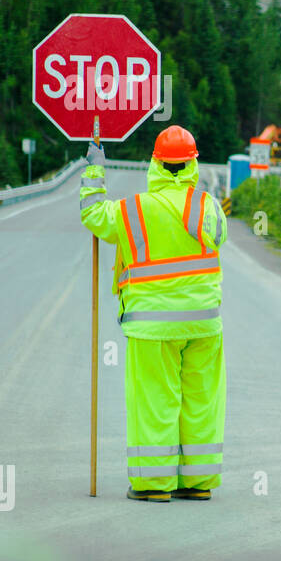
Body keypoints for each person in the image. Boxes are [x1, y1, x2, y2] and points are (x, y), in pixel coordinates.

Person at [79, 126, 228, 502]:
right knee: (200, 401)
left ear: (155, 163)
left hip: (152, 327)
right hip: (204, 323)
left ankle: (153, 485)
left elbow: (93, 214)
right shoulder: (206, 205)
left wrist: (95, 168)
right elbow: (220, 236)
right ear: (193, 163)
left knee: (156, 402)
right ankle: (197, 483)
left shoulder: (133, 210)